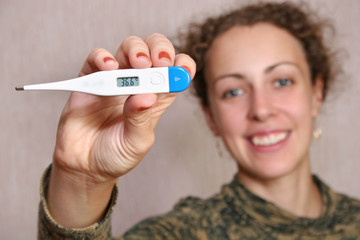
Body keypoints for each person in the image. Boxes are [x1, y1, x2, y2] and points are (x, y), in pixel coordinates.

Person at [38, 1, 360, 239]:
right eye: (233, 91)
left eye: (282, 81)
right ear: (211, 118)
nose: (261, 109)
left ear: (317, 93)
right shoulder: (182, 233)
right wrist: (82, 179)